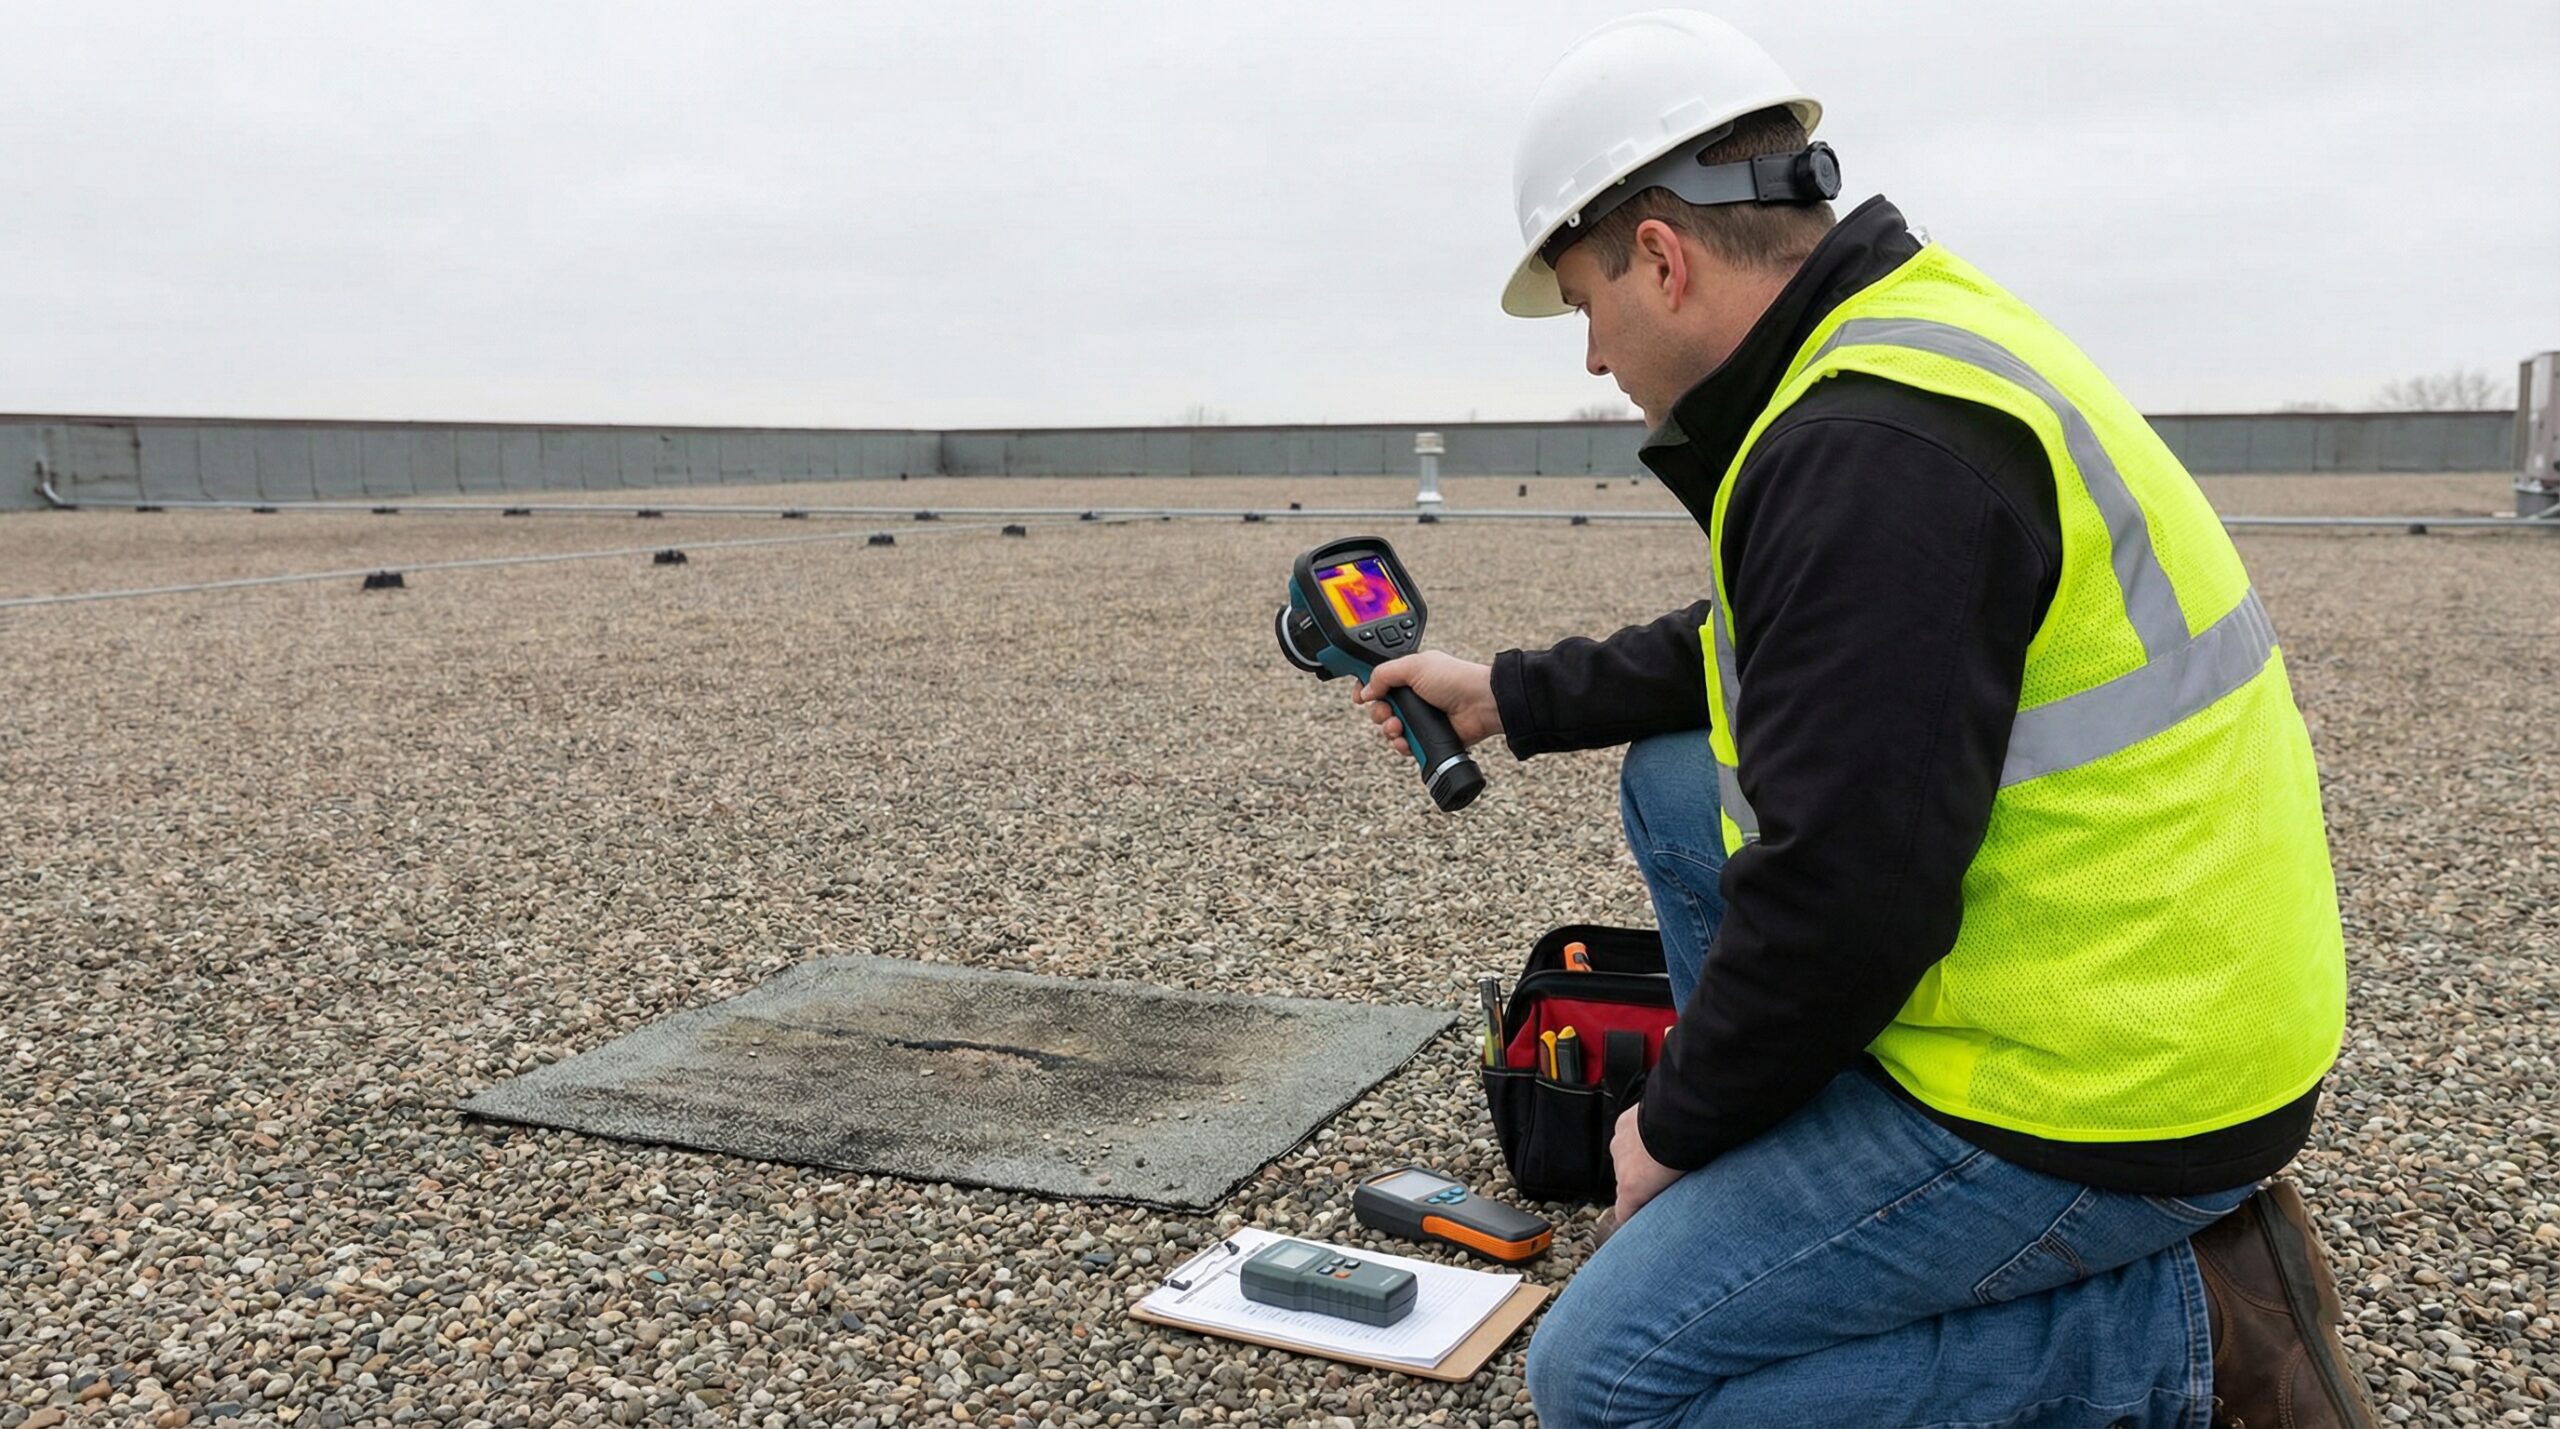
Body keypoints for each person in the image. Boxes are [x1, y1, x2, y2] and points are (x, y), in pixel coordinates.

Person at [1354, 12, 2377, 1427]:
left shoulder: (1868, 451)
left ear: (1663, 256)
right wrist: (1511, 694)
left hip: (2113, 1093)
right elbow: (1782, 651)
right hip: (2147, 983)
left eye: (1588, 302)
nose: (1593, 357)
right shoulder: (1909, 341)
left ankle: (2184, 1333)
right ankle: (1821, 1150)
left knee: (1607, 1378)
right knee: (1671, 776)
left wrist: (1676, 1125)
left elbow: (1844, 901)